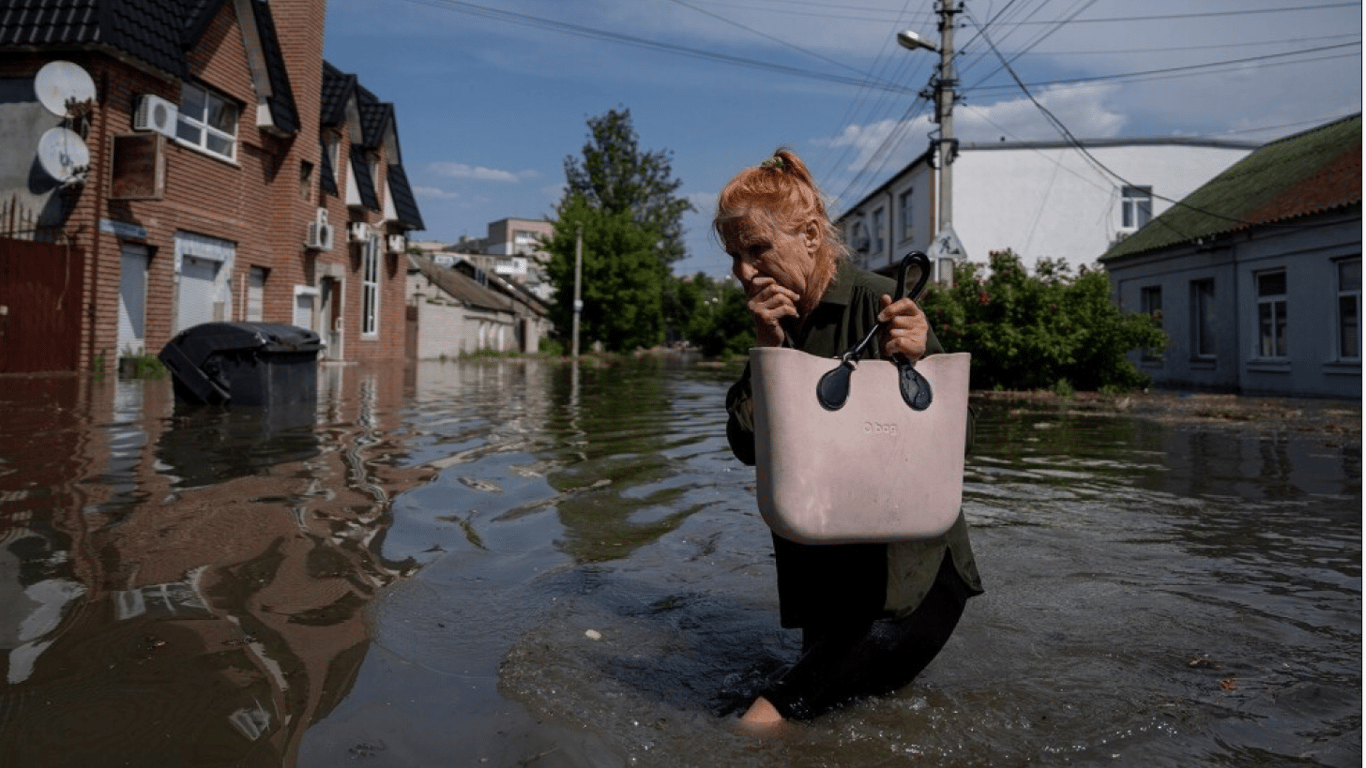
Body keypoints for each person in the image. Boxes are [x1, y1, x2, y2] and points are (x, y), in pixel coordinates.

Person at [717, 148, 983, 725]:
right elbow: (746, 448)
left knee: (762, 723)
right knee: (831, 723)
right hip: (827, 586)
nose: (743, 271)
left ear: (811, 235)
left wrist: (918, 356)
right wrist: (767, 351)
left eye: (757, 249)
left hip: (907, 587)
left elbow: (958, 444)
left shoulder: (876, 299)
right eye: (734, 255)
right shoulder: (778, 321)